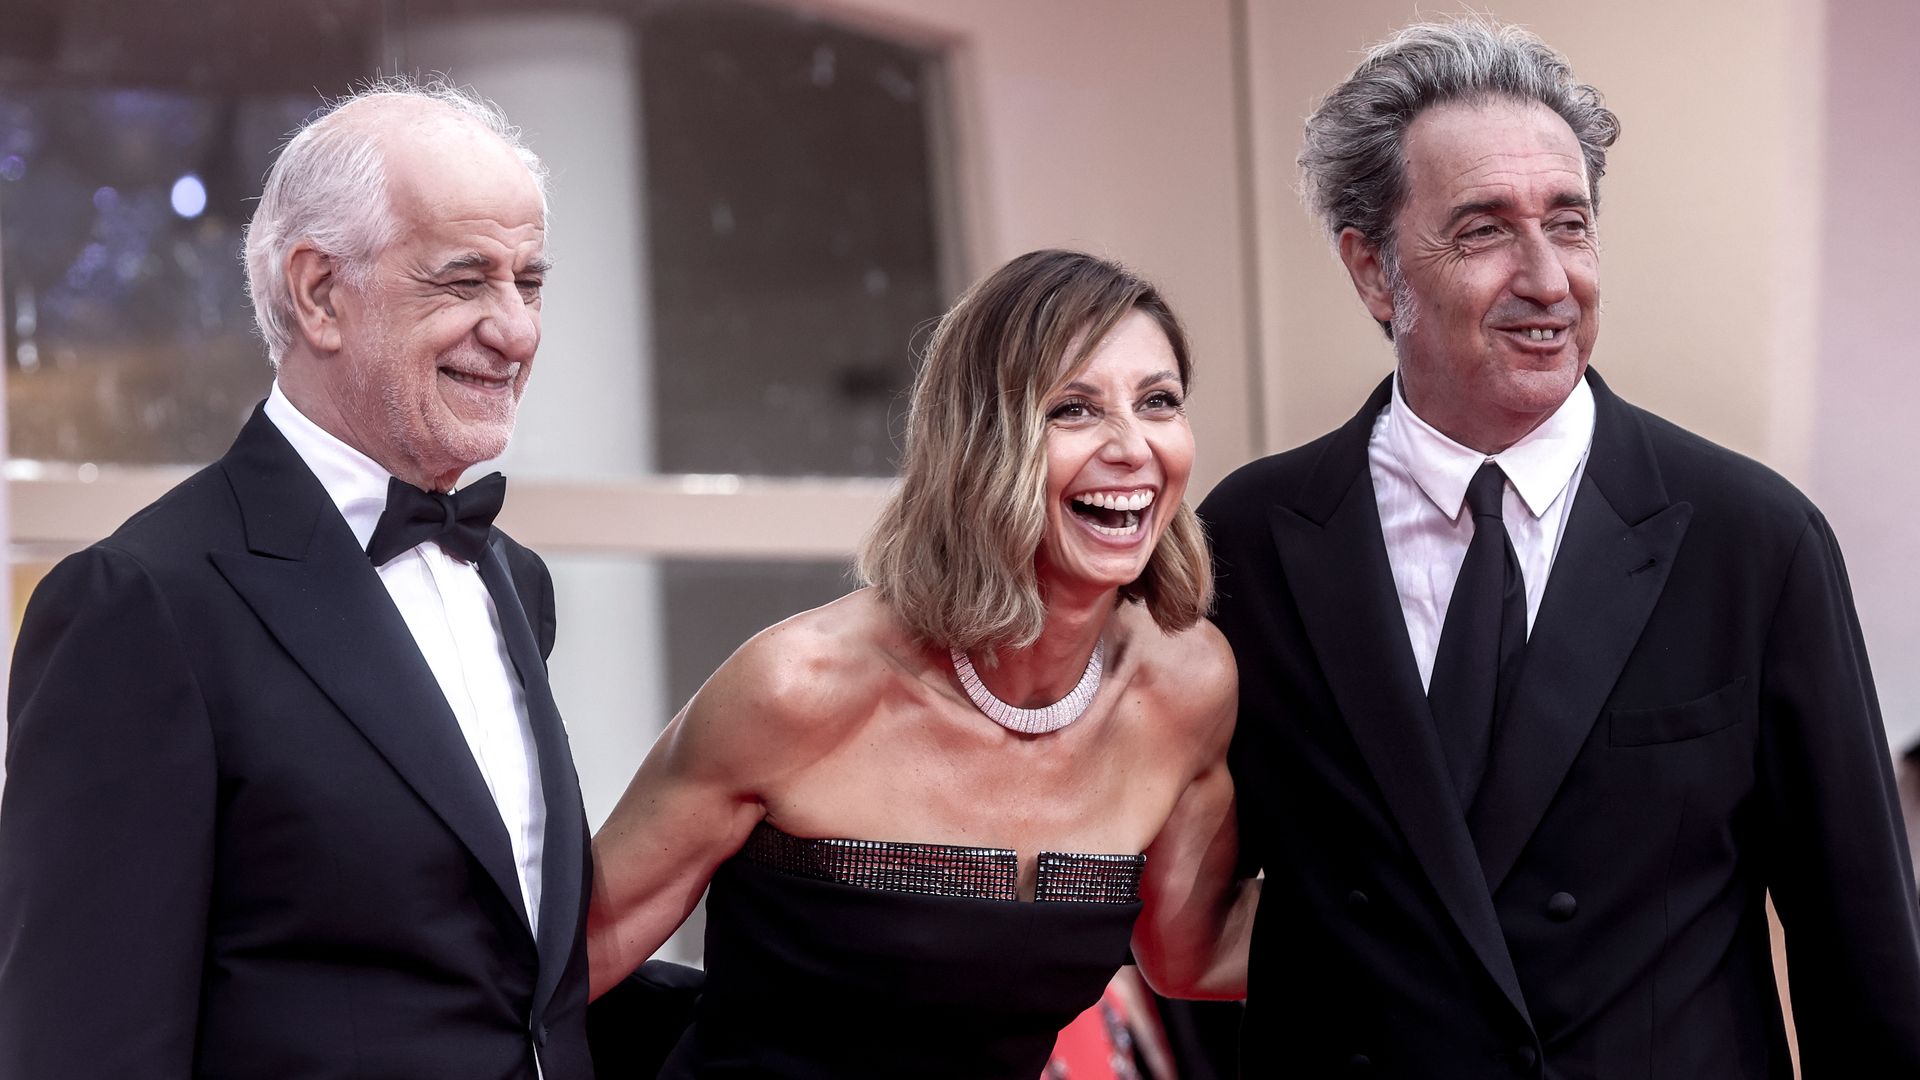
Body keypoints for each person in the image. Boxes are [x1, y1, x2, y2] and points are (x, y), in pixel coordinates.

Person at [1200, 17, 1920, 1077]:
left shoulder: (1754, 540)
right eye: (1485, 229)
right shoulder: (1250, 542)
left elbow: (1863, 959)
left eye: (1570, 225)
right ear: (1373, 270)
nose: (1548, 279)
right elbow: (1188, 902)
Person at [0, 80, 595, 1078]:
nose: (517, 331)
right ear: (319, 292)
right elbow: (81, 1045)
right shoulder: (140, 603)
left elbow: (509, 984)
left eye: (528, 283)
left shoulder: (511, 581)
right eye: (464, 281)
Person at [588, 249, 1255, 1078]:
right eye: (1074, 410)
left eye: (1158, 402)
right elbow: (562, 966)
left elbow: (1191, 955)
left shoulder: (1187, 686)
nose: (1132, 446)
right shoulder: (798, 686)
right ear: (982, 443)